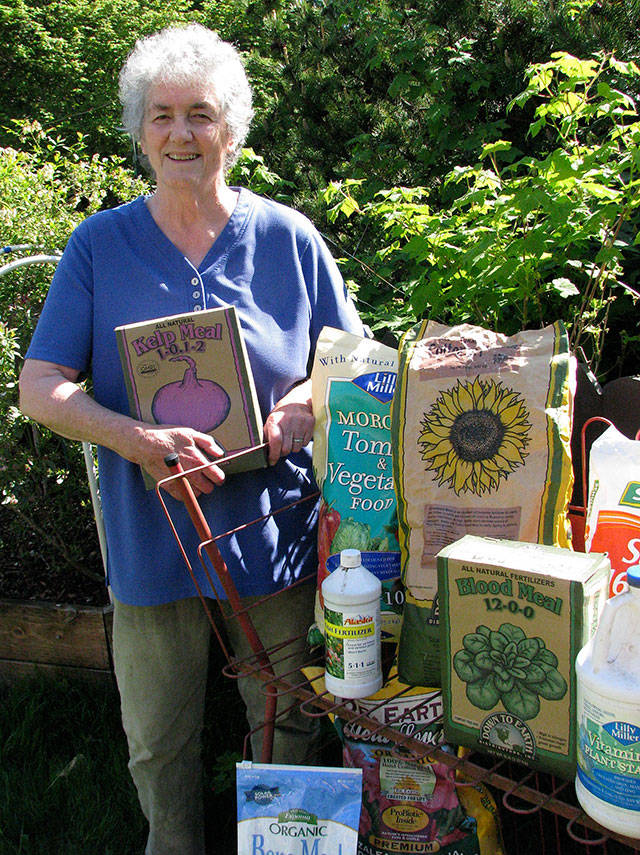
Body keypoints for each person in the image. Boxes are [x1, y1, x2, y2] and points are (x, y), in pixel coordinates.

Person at [19, 23, 363, 855]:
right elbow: (41, 386)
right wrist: (135, 435)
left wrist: (305, 406)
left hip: (272, 533)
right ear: (140, 131)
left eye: (201, 114)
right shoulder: (99, 246)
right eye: (163, 114)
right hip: (155, 535)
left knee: (287, 722)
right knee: (159, 739)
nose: (182, 133)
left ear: (231, 132)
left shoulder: (288, 238)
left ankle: (283, 844)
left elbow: (350, 359)